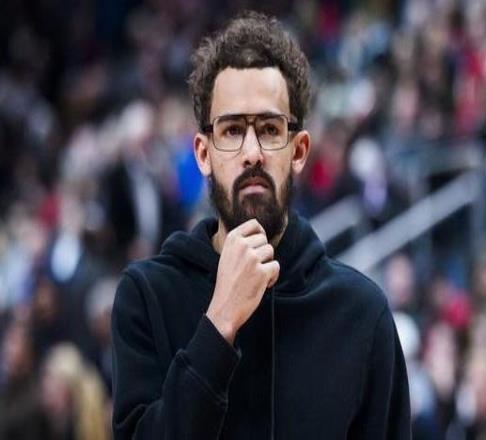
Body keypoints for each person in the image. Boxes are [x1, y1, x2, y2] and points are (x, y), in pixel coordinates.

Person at [111, 11, 411, 439]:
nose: (251, 152)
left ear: (299, 150)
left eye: (270, 129)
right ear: (203, 153)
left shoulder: (362, 314)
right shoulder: (146, 296)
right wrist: (219, 324)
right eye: (232, 130)